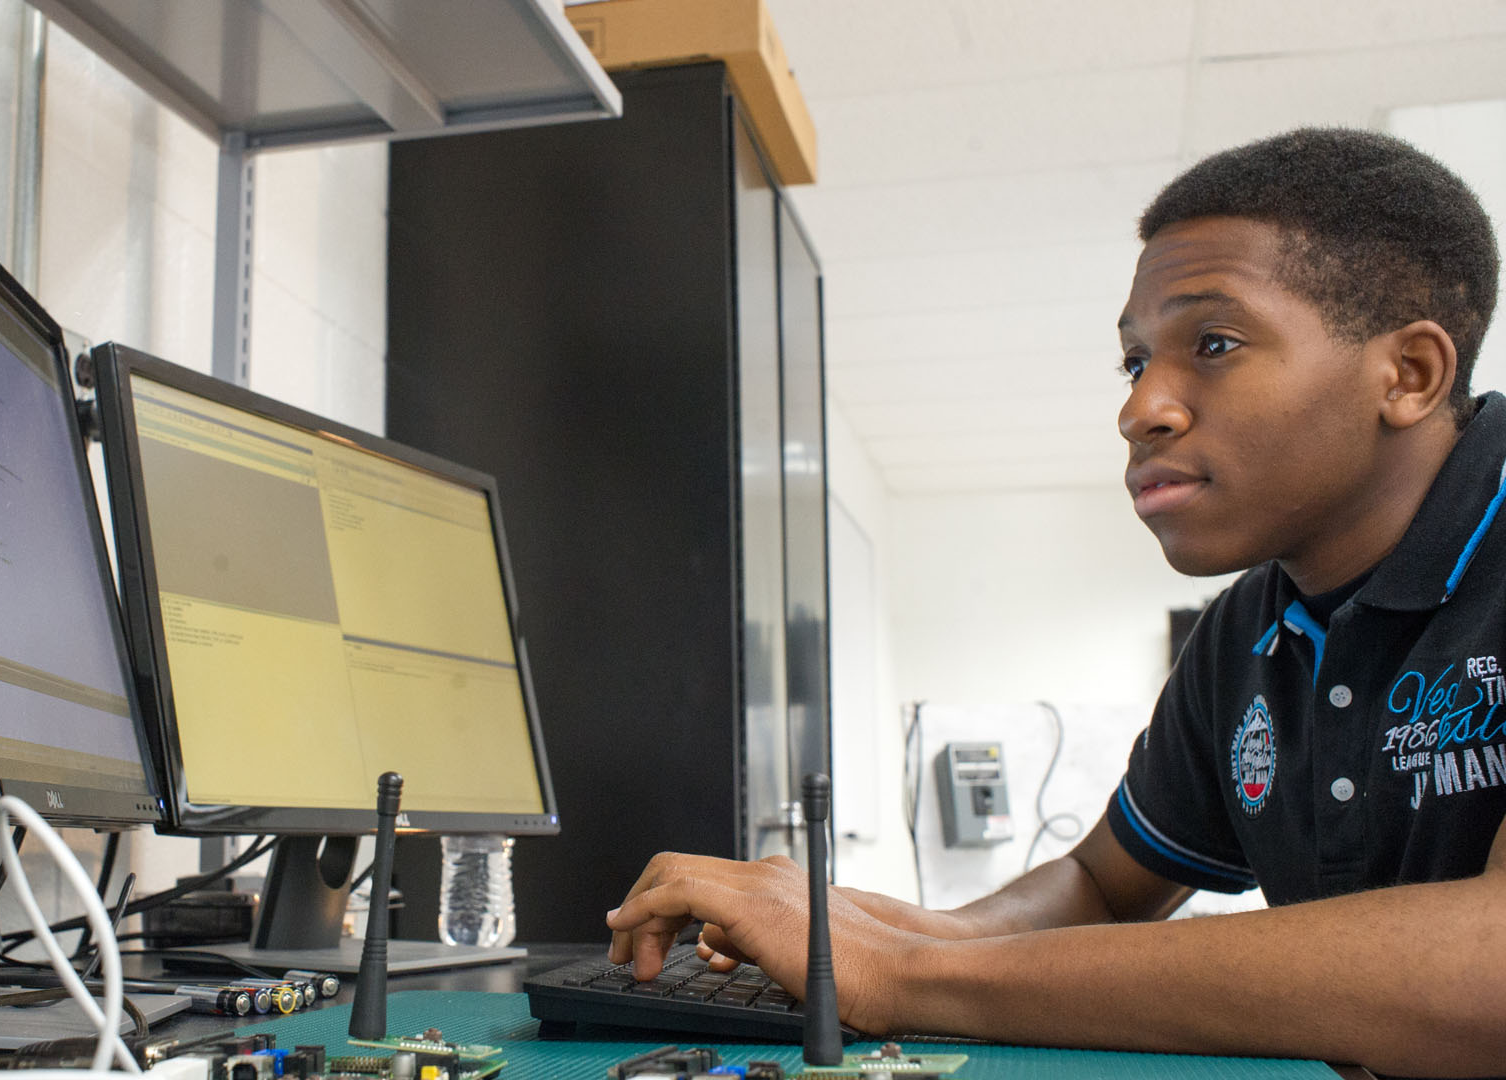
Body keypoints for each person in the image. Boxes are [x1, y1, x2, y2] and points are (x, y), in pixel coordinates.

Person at [604, 128, 1506, 1077]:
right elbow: (1101, 887)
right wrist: (861, 926)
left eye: (1214, 343)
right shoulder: (1248, 630)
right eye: (1133, 362)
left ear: (1408, 374)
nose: (1141, 407)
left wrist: (901, 975)